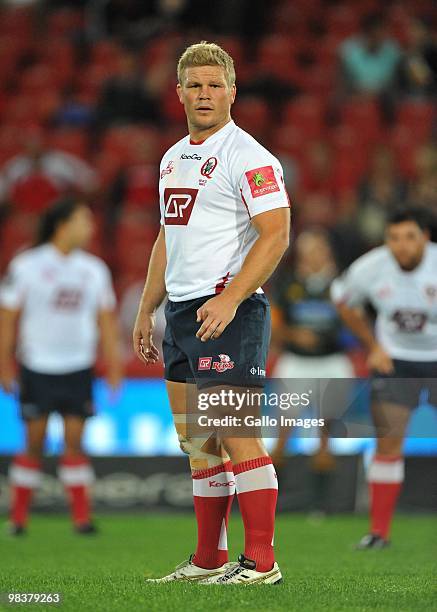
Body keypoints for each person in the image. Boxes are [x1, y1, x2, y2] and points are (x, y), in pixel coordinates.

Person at [133, 41, 290, 584]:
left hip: (229, 309)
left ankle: (262, 562)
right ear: (178, 92)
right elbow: (166, 237)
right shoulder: (172, 157)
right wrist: (146, 307)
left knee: (236, 433)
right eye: (194, 85)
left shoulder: (249, 156)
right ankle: (208, 559)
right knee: (198, 442)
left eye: (214, 84)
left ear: (232, 92)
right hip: (180, 314)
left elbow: (276, 233)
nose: (204, 94)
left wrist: (231, 297)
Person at [0, 197, 122, 535]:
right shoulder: (26, 264)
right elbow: (8, 317)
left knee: (74, 442)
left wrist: (114, 365)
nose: (90, 228)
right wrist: (4, 364)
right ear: (63, 225)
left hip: (78, 367)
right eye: (84, 220)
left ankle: (81, 519)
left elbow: (106, 320)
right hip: (37, 365)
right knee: (34, 442)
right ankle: (18, 518)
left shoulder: (94, 269)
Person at [331, 206, 437, 549]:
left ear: (425, 237)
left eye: (409, 237)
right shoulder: (372, 266)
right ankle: (379, 533)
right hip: (396, 362)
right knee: (388, 443)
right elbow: (342, 299)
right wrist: (372, 344)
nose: (401, 245)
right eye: (394, 238)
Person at [270, 229, 354, 497]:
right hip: (297, 360)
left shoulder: (343, 283)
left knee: (328, 424)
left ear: (326, 251)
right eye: (307, 251)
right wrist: (294, 335)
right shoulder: (287, 281)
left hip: (333, 359)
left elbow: (356, 320)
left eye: (316, 249)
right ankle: (274, 483)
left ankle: (324, 488)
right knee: (284, 424)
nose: (312, 256)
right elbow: (273, 320)